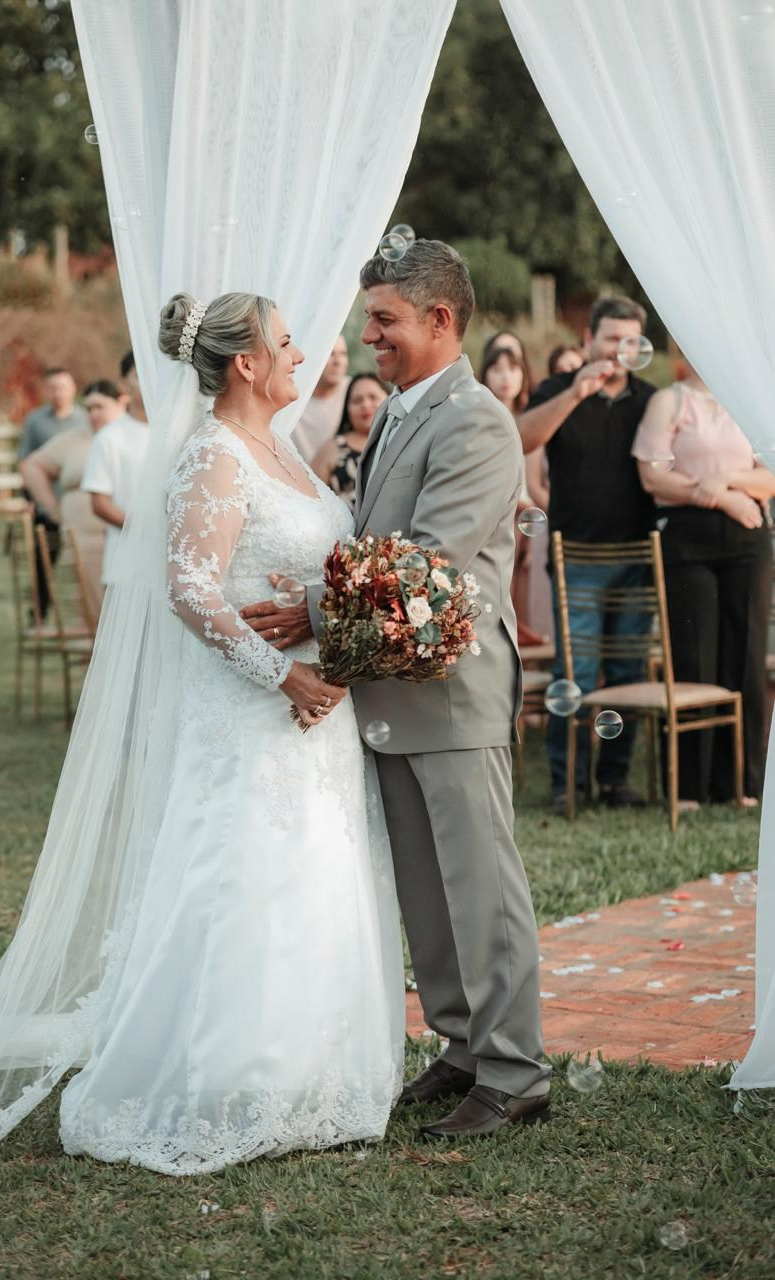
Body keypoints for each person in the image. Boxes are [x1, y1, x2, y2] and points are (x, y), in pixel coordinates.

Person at [56, 292, 403, 1171]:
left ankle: (318, 1070)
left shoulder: (280, 451)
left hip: (316, 711)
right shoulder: (211, 456)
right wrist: (281, 672)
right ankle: (229, 1074)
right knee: (250, 873)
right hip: (255, 710)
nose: (302, 354)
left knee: (316, 869)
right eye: (286, 343)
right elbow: (190, 591)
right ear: (244, 363)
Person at [242, 240, 551, 1139]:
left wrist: (306, 605)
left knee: (480, 886)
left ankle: (515, 1070)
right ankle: (461, 1046)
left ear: (439, 320)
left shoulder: (477, 422)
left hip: (452, 692)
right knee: (426, 886)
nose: (365, 333)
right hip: (392, 692)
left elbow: (431, 565)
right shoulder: (402, 413)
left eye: (383, 318)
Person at [518, 296, 656, 812]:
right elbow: (524, 438)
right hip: (575, 555)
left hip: (638, 558)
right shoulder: (560, 388)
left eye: (630, 342)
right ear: (588, 341)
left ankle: (616, 782)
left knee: (626, 675)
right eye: (609, 339)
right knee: (574, 674)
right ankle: (566, 784)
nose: (618, 351)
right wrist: (577, 392)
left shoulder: (650, 399)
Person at [633, 365, 775, 808]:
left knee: (746, 656)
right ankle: (691, 786)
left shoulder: (749, 400)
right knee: (695, 655)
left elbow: (769, 478)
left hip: (747, 540)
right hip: (687, 540)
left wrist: (728, 482)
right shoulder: (669, 401)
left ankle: (743, 785)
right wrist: (714, 495)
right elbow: (652, 477)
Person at [21, 381, 126, 613]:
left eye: (100, 407)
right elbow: (32, 466)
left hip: (123, 535)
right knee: (92, 610)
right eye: (88, 409)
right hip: (84, 540)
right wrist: (52, 508)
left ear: (121, 401)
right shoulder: (76, 438)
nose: (93, 414)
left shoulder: (133, 435)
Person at [480, 345, 545, 644]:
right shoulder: (480, 416)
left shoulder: (531, 417)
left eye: (513, 368)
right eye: (497, 368)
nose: (506, 376)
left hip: (527, 511)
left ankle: (524, 623)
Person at [17, 368, 89, 616]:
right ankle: (39, 613)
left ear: (73, 390)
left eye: (63, 387)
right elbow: (26, 462)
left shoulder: (85, 420)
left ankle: (88, 616)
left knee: (81, 564)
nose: (58, 393)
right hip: (47, 506)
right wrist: (30, 499)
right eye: (53, 387)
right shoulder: (35, 421)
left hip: (80, 508)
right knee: (44, 562)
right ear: (47, 390)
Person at [80, 389, 150, 587]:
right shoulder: (108, 437)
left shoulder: (177, 428)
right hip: (125, 559)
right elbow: (99, 504)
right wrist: (144, 528)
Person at [310, 371, 388, 509]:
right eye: (357, 400)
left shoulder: (403, 438)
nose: (365, 404)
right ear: (347, 409)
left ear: (389, 398)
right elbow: (310, 499)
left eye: (373, 397)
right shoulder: (333, 448)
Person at [290, 334, 350, 462]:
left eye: (343, 354)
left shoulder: (355, 394)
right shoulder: (292, 397)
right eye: (331, 353)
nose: (338, 362)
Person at [119, 349, 147, 422]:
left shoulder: (175, 427)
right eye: (140, 377)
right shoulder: (113, 432)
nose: (149, 384)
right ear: (124, 384)